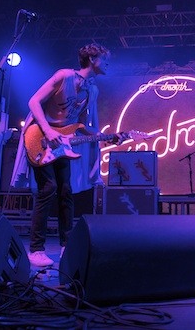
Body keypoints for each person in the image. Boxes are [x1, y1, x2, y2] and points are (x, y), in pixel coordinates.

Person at [18, 43, 122, 267]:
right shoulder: (64, 76)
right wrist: (48, 131)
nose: (108, 64)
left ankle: (67, 245)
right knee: (48, 188)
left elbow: (80, 125)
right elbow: (33, 101)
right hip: (40, 135)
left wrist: (106, 136)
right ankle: (36, 249)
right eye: (105, 59)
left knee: (66, 191)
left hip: (62, 143)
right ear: (92, 59)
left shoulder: (92, 90)